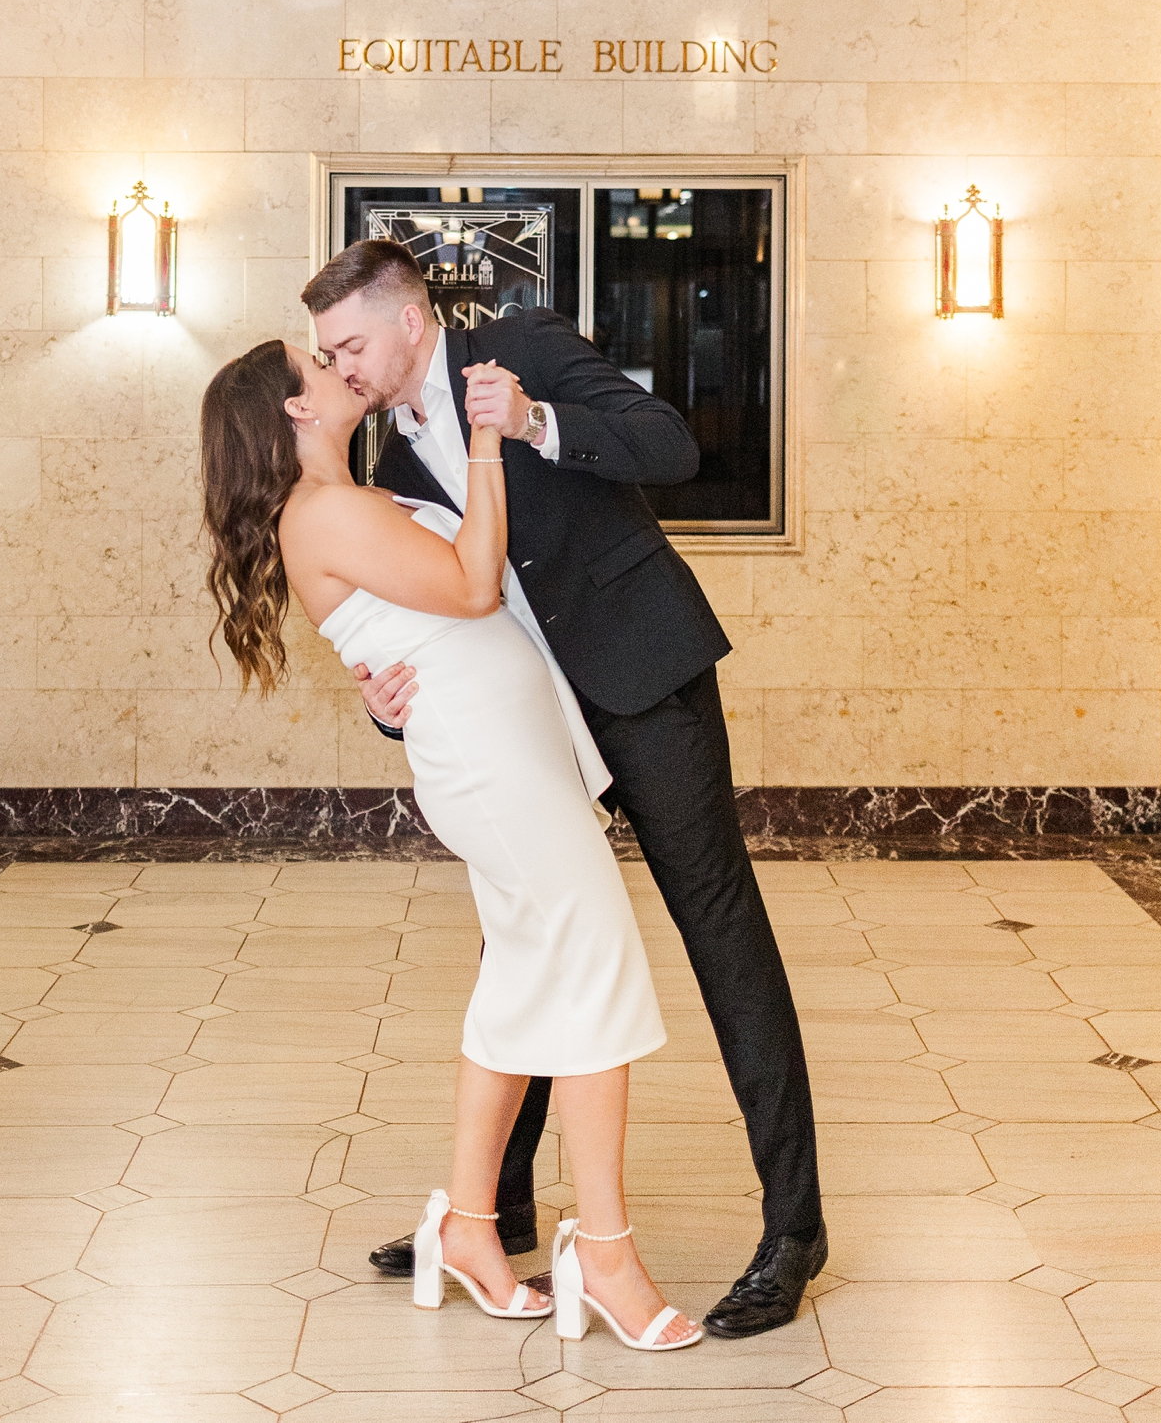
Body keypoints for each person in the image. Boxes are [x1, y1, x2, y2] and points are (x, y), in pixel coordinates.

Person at [301, 239, 826, 1340]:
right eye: (324, 354)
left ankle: (793, 1230)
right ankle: (496, 1211)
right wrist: (382, 697)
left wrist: (538, 421)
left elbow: (671, 446)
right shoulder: (376, 468)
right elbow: (412, 607)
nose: (338, 368)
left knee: (718, 931)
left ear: (408, 322)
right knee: (531, 948)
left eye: (349, 345)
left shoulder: (520, 346)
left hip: (644, 682)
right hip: (527, 729)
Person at [201, 336, 701, 1352]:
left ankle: (470, 1227)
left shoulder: (349, 498)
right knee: (597, 978)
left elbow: (437, 615)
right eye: (319, 364)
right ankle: (603, 1252)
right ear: (296, 413)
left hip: (503, 760)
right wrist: (485, 439)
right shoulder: (328, 510)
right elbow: (473, 588)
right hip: (495, 773)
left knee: (525, 983)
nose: (342, 368)